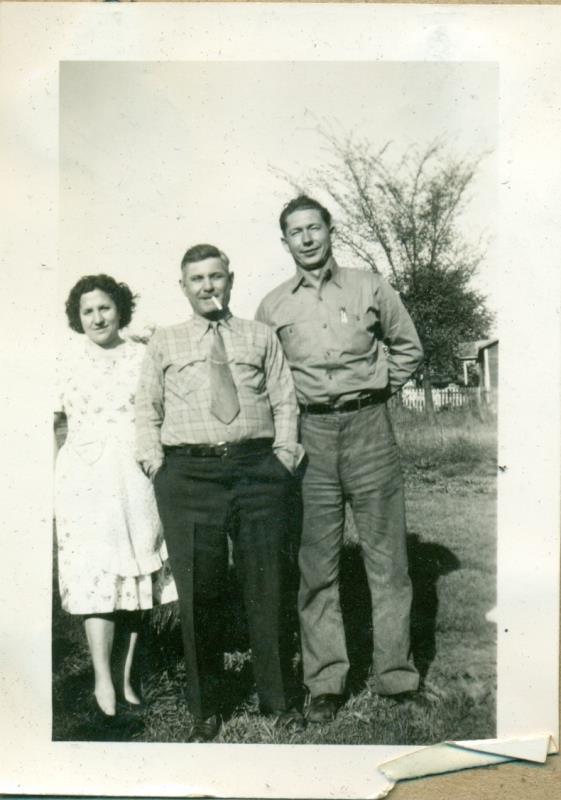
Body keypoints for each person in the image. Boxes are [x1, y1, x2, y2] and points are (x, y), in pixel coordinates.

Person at [256, 195, 423, 724]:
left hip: (370, 430)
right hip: (311, 439)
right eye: (296, 231)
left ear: (331, 230)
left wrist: (375, 391)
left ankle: (397, 677)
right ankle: (326, 683)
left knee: (389, 563)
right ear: (285, 241)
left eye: (314, 227)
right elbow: (266, 378)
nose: (307, 239)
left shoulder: (369, 286)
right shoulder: (272, 306)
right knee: (317, 567)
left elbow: (408, 348)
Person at [135, 243, 306, 742]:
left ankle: (279, 700)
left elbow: (285, 398)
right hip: (189, 477)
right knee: (200, 591)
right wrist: (157, 465)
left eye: (216, 276)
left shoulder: (259, 335)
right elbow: (146, 408)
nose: (207, 286)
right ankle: (206, 707)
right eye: (197, 279)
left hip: (258, 471)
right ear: (183, 287)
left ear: (230, 280)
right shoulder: (164, 342)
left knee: (268, 585)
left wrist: (284, 456)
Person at [54, 274, 176, 725]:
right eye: (87, 311)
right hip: (84, 480)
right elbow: (47, 422)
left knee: (136, 573)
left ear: (120, 309)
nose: (97, 317)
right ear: (77, 317)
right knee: (97, 575)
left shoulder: (143, 357)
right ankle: (102, 680)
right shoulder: (66, 360)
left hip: (135, 478)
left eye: (104, 307)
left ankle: (127, 678)